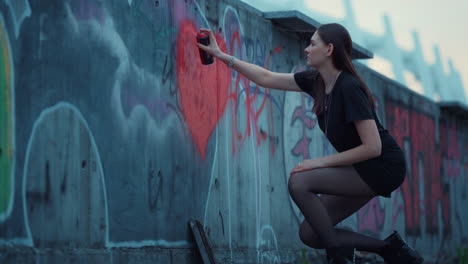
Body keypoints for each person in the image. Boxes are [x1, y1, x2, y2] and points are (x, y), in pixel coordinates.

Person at [196, 23, 423, 264]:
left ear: (329, 49)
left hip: (383, 166)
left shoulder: (349, 88)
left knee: (300, 180)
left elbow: (373, 147)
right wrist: (221, 56)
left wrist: (318, 162)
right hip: (364, 166)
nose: (306, 49)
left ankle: (337, 255)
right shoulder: (316, 82)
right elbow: (266, 77)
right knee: (311, 233)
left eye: (313, 43)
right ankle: (389, 249)